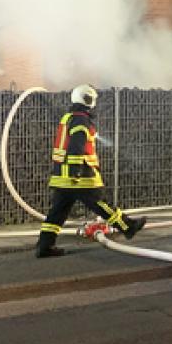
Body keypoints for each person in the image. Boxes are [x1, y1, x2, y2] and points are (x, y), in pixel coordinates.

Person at [36, 84, 145, 258]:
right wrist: (76, 171)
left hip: (61, 177)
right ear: (88, 100)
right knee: (102, 204)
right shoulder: (81, 120)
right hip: (81, 178)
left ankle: (44, 246)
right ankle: (128, 227)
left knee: (56, 214)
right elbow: (76, 147)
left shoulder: (68, 117)